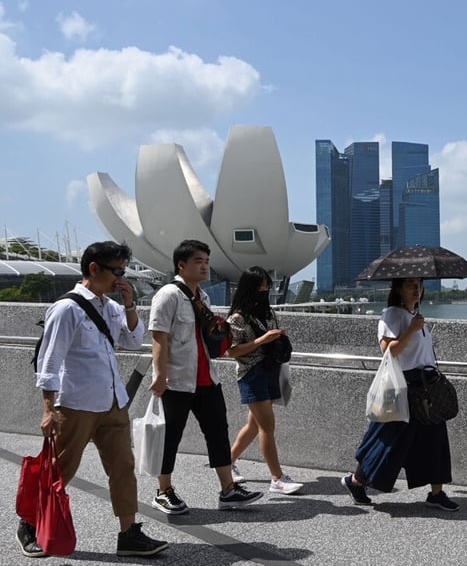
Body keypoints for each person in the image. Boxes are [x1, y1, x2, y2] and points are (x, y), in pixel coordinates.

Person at [19, 241, 168, 558]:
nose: (121, 278)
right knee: (60, 469)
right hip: (75, 404)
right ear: (93, 268)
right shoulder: (66, 309)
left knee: (123, 467)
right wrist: (48, 408)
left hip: (113, 402)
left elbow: (132, 341)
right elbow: (50, 360)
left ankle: (129, 534)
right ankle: (30, 525)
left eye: (123, 271)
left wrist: (129, 305)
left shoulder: (110, 307)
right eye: (117, 271)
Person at [147, 239, 263, 514]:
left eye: (207, 261)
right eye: (199, 261)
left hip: (206, 379)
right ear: (181, 265)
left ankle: (228, 490)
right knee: (170, 437)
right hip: (176, 380)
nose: (205, 266)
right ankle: (163, 491)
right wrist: (160, 375)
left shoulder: (203, 297)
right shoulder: (168, 295)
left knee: (217, 433)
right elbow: (158, 338)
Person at [342, 277, 459, 511]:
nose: (417, 289)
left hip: (426, 386)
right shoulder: (392, 315)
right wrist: (411, 329)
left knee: (436, 440)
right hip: (403, 387)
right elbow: (388, 351)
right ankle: (356, 482)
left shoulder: (416, 316)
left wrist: (417, 326)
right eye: (410, 285)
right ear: (398, 289)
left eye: (420, 285)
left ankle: (437, 493)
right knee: (387, 440)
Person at [225, 266, 302, 494]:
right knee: (267, 426)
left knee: (254, 425)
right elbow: (232, 351)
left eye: (267, 286)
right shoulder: (237, 318)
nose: (265, 291)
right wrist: (262, 340)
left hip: (270, 370)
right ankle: (277, 477)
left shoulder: (269, 314)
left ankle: (226, 462)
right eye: (261, 287)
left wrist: (278, 338)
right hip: (251, 373)